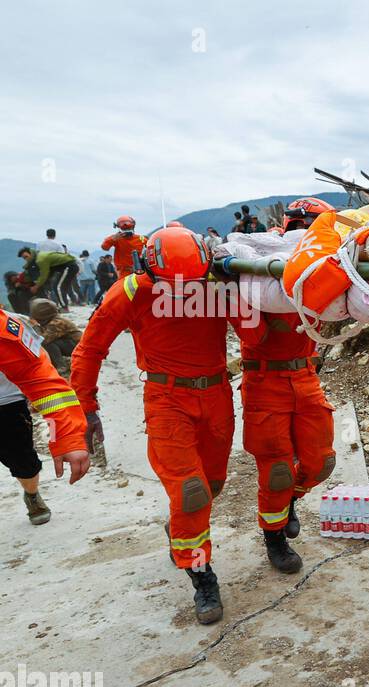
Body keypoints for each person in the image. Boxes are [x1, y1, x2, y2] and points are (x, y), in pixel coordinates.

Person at [71, 226, 247, 625]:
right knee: (191, 491)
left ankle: (180, 529)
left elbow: (253, 332)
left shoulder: (216, 284)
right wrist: (85, 407)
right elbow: (91, 348)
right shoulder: (131, 291)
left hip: (217, 395)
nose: (181, 295)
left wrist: (241, 289)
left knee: (212, 484)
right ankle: (201, 574)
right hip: (167, 399)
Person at [231, 197, 337, 574]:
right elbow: (255, 336)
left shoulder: (322, 260)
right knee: (275, 467)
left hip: (305, 374)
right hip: (264, 378)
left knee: (320, 461)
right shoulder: (259, 262)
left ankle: (290, 500)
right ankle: (273, 537)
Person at [0, 306, 90, 524]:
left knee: (24, 464)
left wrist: (68, 435)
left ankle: (31, 494)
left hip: (6, 403)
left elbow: (39, 375)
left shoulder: (9, 324)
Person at [28, 299, 82, 373]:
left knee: (48, 344)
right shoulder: (53, 320)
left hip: (79, 347)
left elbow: (43, 340)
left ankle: (61, 366)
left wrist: (35, 326)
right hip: (73, 345)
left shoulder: (56, 323)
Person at [101, 217, 146, 282]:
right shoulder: (116, 238)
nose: (127, 231)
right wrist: (113, 239)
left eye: (129, 228)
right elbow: (104, 247)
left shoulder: (141, 239)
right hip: (124, 272)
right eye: (125, 229)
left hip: (140, 271)